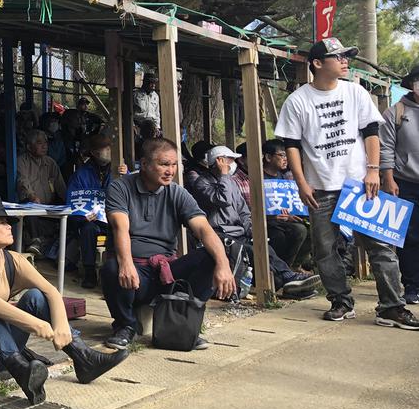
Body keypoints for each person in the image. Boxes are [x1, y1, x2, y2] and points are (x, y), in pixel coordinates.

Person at [275, 37, 418, 328]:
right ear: (317, 63)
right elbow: (292, 145)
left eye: (346, 56)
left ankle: (391, 306)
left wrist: (374, 170)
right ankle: (341, 301)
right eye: (338, 57)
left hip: (360, 185)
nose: (345, 61)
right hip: (320, 187)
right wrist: (301, 183)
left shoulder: (356, 93)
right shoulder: (298, 100)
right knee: (325, 250)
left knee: (380, 247)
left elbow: (371, 134)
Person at [0, 195, 129, 404]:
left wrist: (62, 324)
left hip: (7, 349)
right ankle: (22, 373)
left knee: (36, 296)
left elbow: (50, 291)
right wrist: (35, 324)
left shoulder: (12, 259)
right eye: (1, 222)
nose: (9, 226)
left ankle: (83, 358)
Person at [101, 138, 236, 350]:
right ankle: (125, 326)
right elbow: (120, 228)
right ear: (144, 164)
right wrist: (126, 263)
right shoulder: (120, 188)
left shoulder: (177, 193)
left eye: (174, 165)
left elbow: (203, 229)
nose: (170, 170)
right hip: (135, 274)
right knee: (111, 267)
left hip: (167, 273)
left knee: (213, 256)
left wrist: (224, 264)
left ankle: (185, 323)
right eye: (164, 164)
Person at [190, 146, 321, 299]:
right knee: (250, 251)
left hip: (239, 232)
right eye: (229, 160)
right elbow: (223, 199)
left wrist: (252, 231)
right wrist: (224, 175)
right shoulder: (202, 183)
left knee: (264, 248)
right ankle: (289, 281)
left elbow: (243, 211)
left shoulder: (231, 183)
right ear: (219, 161)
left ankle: (289, 281)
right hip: (219, 235)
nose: (233, 163)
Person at [380, 64, 419, 304]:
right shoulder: (396, 112)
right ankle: (413, 286)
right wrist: (388, 178)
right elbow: (385, 147)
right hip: (405, 184)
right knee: (410, 237)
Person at [66, 134, 116, 289]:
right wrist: (82, 217)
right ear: (94, 153)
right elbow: (72, 203)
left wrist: (125, 173)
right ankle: (89, 272)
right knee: (88, 229)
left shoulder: (117, 168)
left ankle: (115, 271)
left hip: (114, 217)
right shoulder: (81, 174)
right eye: (104, 149)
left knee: (123, 228)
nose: (108, 151)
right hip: (92, 220)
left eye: (110, 148)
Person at [17, 129, 67, 255]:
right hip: (32, 206)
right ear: (29, 146)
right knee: (29, 206)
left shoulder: (50, 162)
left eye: (45, 142)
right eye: (39, 143)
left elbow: (60, 185)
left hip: (49, 207)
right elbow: (23, 181)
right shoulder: (22, 161)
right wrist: (32, 196)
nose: (44, 146)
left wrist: (70, 202)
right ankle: (36, 240)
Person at [262, 139, 310, 269]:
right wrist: (271, 217)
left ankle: (295, 266)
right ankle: (284, 270)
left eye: (287, 155)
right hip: (268, 222)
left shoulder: (284, 178)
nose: (286, 159)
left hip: (287, 219)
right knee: (294, 232)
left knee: (312, 229)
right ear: (268, 157)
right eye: (282, 155)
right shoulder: (259, 177)